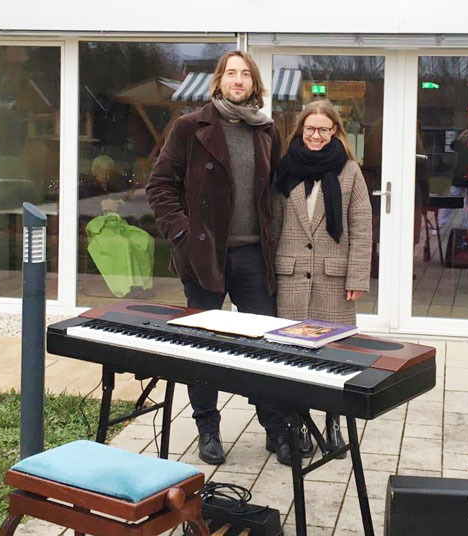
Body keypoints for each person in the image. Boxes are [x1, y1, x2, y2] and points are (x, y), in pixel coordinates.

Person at [147, 51, 291, 466]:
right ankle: (207, 428)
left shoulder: (266, 129)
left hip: (253, 256)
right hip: (204, 255)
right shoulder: (190, 127)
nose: (238, 80)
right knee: (203, 344)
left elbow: (277, 188)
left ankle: (275, 427)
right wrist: (182, 233)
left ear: (255, 84)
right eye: (231, 73)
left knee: (266, 344)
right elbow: (160, 186)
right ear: (219, 81)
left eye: (245, 74)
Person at [272, 100, 372, 458]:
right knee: (293, 359)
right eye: (310, 129)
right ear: (301, 130)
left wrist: (357, 276)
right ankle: (299, 425)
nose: (316, 135)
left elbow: (362, 227)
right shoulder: (285, 168)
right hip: (291, 279)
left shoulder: (350, 171)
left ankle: (333, 424)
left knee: (334, 358)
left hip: (334, 281)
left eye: (324, 129)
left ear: (335, 132)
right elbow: (274, 224)